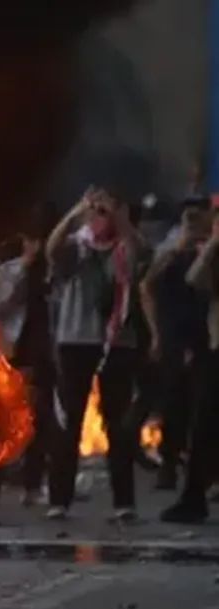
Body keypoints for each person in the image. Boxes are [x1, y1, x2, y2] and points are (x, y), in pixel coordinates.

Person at [43, 187, 143, 521]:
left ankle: (124, 502)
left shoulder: (123, 247)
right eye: (96, 213)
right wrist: (76, 213)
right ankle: (59, 499)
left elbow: (139, 254)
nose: (100, 219)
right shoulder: (78, 246)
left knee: (118, 424)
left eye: (105, 213)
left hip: (116, 344)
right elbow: (52, 250)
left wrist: (120, 219)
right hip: (75, 340)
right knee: (68, 422)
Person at [0, 217, 53, 507]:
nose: (39, 247)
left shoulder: (54, 271)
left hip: (42, 354)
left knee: (39, 422)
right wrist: (23, 270)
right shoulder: (9, 272)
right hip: (9, 354)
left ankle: (32, 484)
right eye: (33, 241)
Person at [137, 196, 210, 490]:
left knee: (203, 404)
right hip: (174, 336)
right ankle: (169, 462)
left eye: (197, 214)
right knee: (173, 400)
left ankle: (204, 471)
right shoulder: (170, 250)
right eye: (187, 216)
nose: (192, 221)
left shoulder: (211, 248)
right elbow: (146, 287)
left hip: (205, 335)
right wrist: (155, 332)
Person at [162, 212, 219, 523]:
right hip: (215, 352)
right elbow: (194, 279)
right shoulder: (213, 258)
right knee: (203, 427)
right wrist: (214, 243)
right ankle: (193, 498)